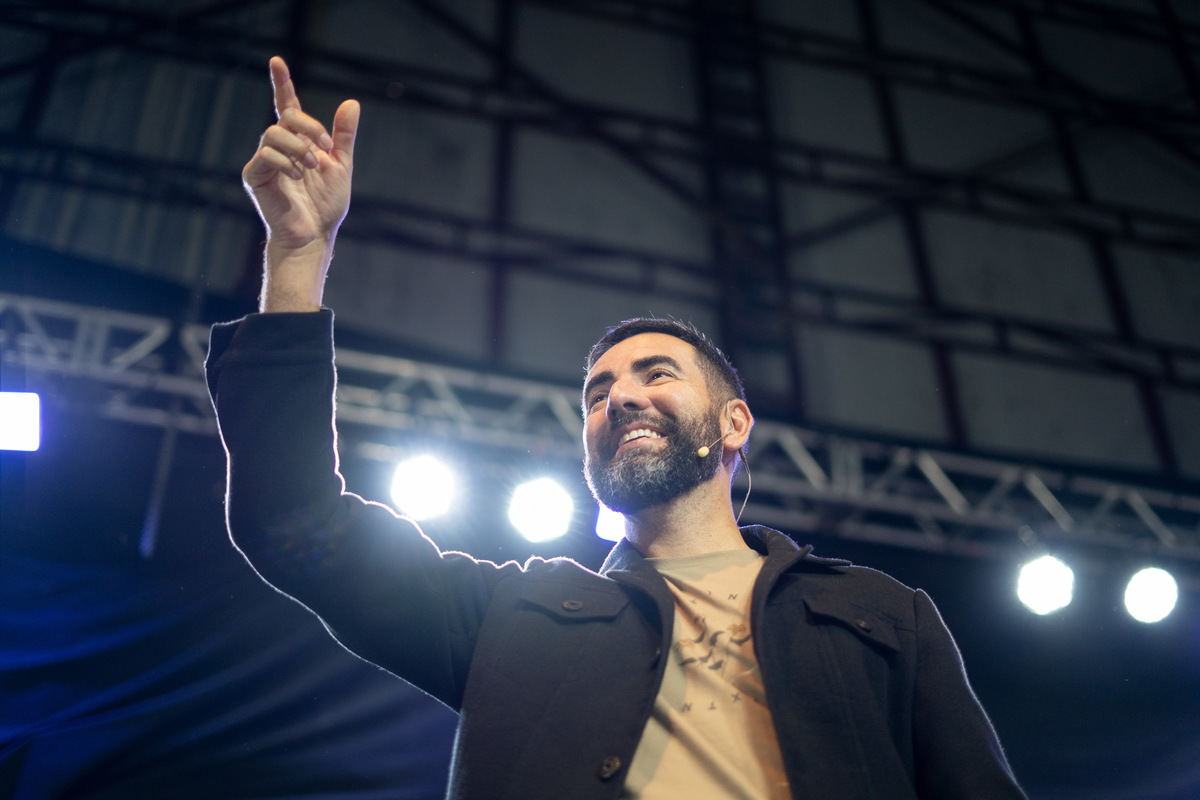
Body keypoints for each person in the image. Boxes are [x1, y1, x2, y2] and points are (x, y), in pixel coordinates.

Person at [205, 57, 1027, 799]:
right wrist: (297, 257)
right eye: (596, 393)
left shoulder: (881, 612)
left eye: (655, 374)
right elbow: (290, 521)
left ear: (734, 422)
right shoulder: (509, 615)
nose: (619, 400)